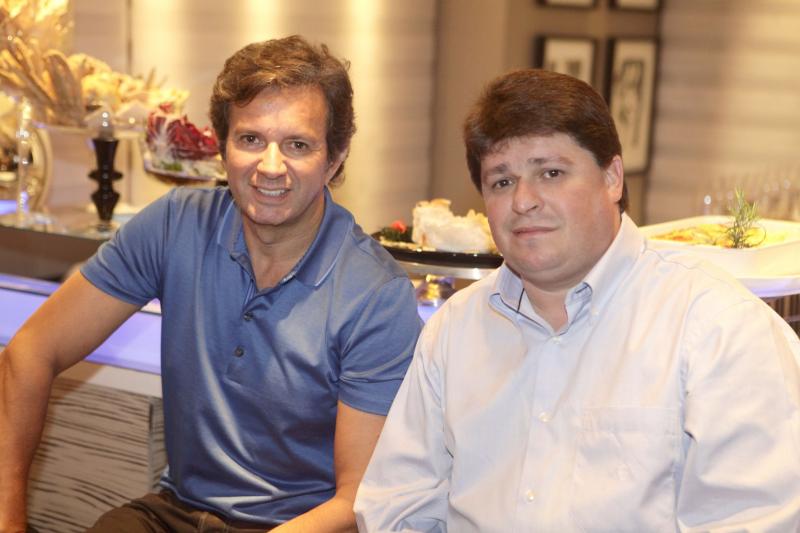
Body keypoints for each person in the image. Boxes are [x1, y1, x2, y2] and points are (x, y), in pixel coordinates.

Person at [0, 35, 422, 532]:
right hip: (176, 509)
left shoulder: (375, 294)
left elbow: (357, 502)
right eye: (250, 139)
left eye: (298, 145)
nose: (270, 167)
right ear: (222, 146)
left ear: (335, 157)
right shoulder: (176, 224)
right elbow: (30, 351)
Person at [354, 69, 800, 532]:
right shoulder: (455, 330)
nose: (524, 201)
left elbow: (757, 520)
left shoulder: (718, 329)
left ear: (612, 177)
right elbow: (397, 504)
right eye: (502, 181)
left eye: (551, 173)